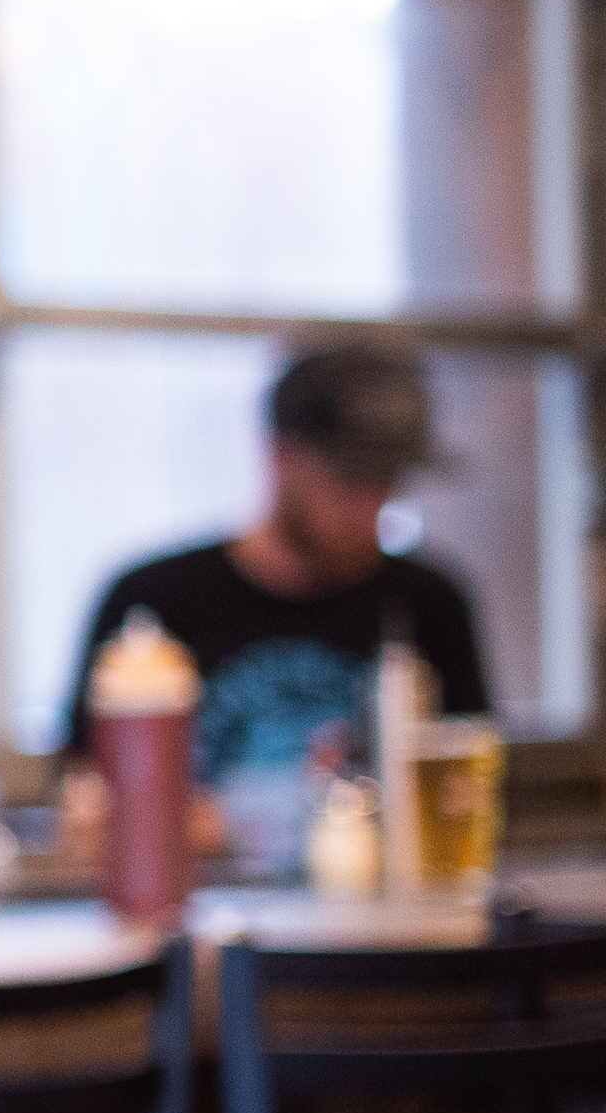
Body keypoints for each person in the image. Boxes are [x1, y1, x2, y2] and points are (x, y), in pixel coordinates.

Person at [62, 338, 489, 869]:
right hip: (203, 929)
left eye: (389, 482)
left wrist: (213, 820)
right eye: (351, 480)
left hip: (378, 930)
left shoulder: (428, 603)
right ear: (280, 456)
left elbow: (469, 802)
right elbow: (85, 818)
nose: (371, 508)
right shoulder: (150, 604)